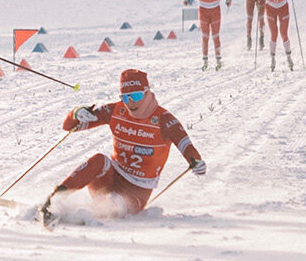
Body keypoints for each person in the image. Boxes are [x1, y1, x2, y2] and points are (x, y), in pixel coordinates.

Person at [38, 69, 206, 226]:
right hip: (112, 176)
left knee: (115, 206)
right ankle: (54, 201)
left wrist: (196, 161)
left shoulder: (163, 119)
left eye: (136, 96)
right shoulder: (116, 110)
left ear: (147, 93)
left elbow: (185, 144)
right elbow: (69, 126)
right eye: (125, 97)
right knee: (99, 160)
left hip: (138, 189)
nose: (131, 103)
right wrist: (75, 113)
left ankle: (87, 215)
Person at [183, 0, 233, 71]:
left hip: (215, 11)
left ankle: (218, 61)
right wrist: (185, 0)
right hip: (203, 11)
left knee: (215, 36)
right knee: (205, 37)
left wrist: (229, 0)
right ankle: (205, 61)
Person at [262, 0, 302, 71]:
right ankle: (272, 59)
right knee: (274, 34)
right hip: (270, 8)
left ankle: (289, 58)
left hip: (283, 8)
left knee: (284, 34)